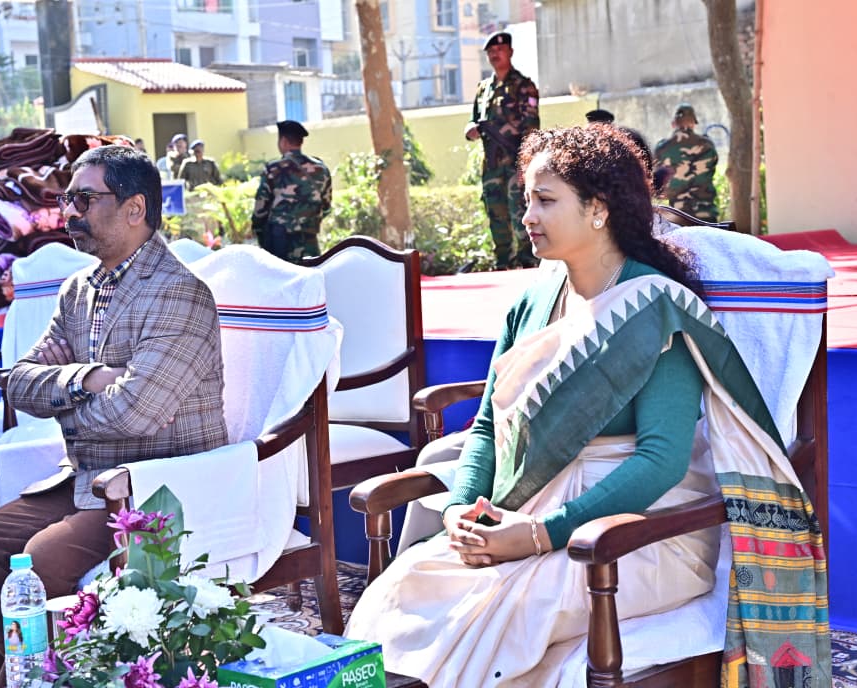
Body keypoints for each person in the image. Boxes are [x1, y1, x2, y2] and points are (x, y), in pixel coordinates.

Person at [345, 125, 830, 686]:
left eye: (545, 201)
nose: (527, 216)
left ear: (598, 209)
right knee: (402, 591)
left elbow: (661, 460)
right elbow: (487, 427)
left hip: (643, 532)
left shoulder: (656, 307)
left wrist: (537, 535)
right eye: (527, 199)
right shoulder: (531, 306)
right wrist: (459, 511)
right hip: (525, 508)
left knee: (499, 611)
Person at [0, 145, 228, 687]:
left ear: (134, 208)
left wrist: (63, 400)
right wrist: (87, 378)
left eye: (84, 199)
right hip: (84, 477)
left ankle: (63, 676)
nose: (69, 213)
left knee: (42, 558)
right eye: (67, 199)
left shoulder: (180, 295)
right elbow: (19, 382)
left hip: (154, 484)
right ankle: (28, 674)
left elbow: (135, 414)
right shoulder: (78, 290)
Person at [465, 30, 540, 270]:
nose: (495, 55)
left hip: (516, 161)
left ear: (510, 52)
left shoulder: (524, 86)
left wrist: (525, 162)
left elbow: (531, 127)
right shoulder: (483, 88)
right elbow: (474, 119)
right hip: (492, 163)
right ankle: (502, 261)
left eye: (500, 50)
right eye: (491, 52)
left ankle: (528, 260)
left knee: (521, 211)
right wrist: (471, 129)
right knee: (495, 212)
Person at [251, 120, 332, 265]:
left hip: (280, 240)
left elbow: (261, 207)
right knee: (310, 274)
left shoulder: (274, 168)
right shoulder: (321, 169)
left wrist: (258, 230)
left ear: (283, 141)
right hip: (309, 238)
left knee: (279, 276)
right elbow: (326, 206)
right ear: (301, 142)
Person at [654, 103, 719, 221]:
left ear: (674, 124)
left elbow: (658, 184)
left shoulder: (662, 148)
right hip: (706, 214)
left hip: (678, 215)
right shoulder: (707, 145)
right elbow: (712, 168)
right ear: (693, 123)